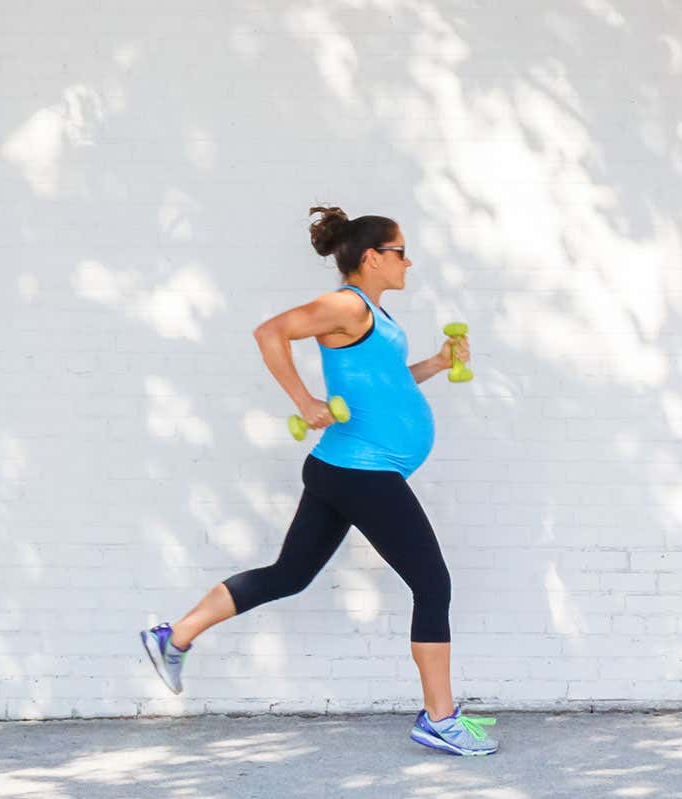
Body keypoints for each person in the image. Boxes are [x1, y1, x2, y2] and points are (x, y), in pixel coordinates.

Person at [140, 206, 499, 756]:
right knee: (433, 585)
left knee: (290, 574)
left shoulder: (372, 314)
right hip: (362, 472)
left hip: (345, 468)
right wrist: (303, 400)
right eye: (402, 251)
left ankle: (174, 636)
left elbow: (384, 385)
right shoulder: (346, 305)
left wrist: (435, 362)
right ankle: (439, 719)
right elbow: (270, 332)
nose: (410, 261)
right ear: (373, 258)